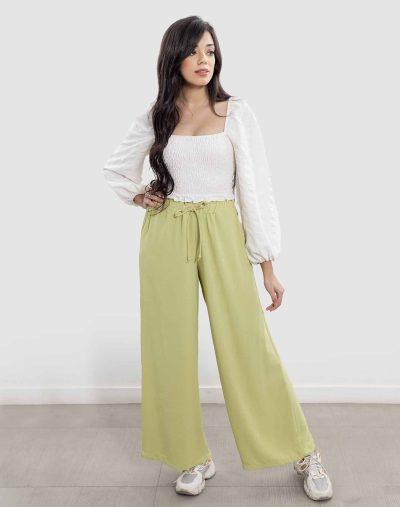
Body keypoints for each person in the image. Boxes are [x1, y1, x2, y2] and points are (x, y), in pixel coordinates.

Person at [102, 15, 333, 502]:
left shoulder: (236, 113)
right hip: (167, 231)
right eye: (193, 51)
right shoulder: (157, 116)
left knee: (247, 342)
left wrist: (267, 265)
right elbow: (116, 169)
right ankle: (192, 456)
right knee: (169, 347)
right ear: (174, 58)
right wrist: (141, 195)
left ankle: (303, 451)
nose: (203, 60)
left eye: (209, 50)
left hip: (223, 228)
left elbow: (255, 191)